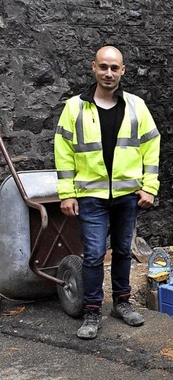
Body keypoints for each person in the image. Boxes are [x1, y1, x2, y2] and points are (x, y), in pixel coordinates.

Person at [54, 45, 160, 340]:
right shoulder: (74, 108)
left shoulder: (137, 106)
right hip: (92, 196)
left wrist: (149, 187)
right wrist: (67, 193)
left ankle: (122, 304)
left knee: (124, 251)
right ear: (94, 68)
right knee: (93, 255)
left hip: (127, 195)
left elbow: (151, 147)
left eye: (114, 68)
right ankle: (91, 310)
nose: (109, 73)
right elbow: (63, 153)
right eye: (103, 67)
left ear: (123, 70)